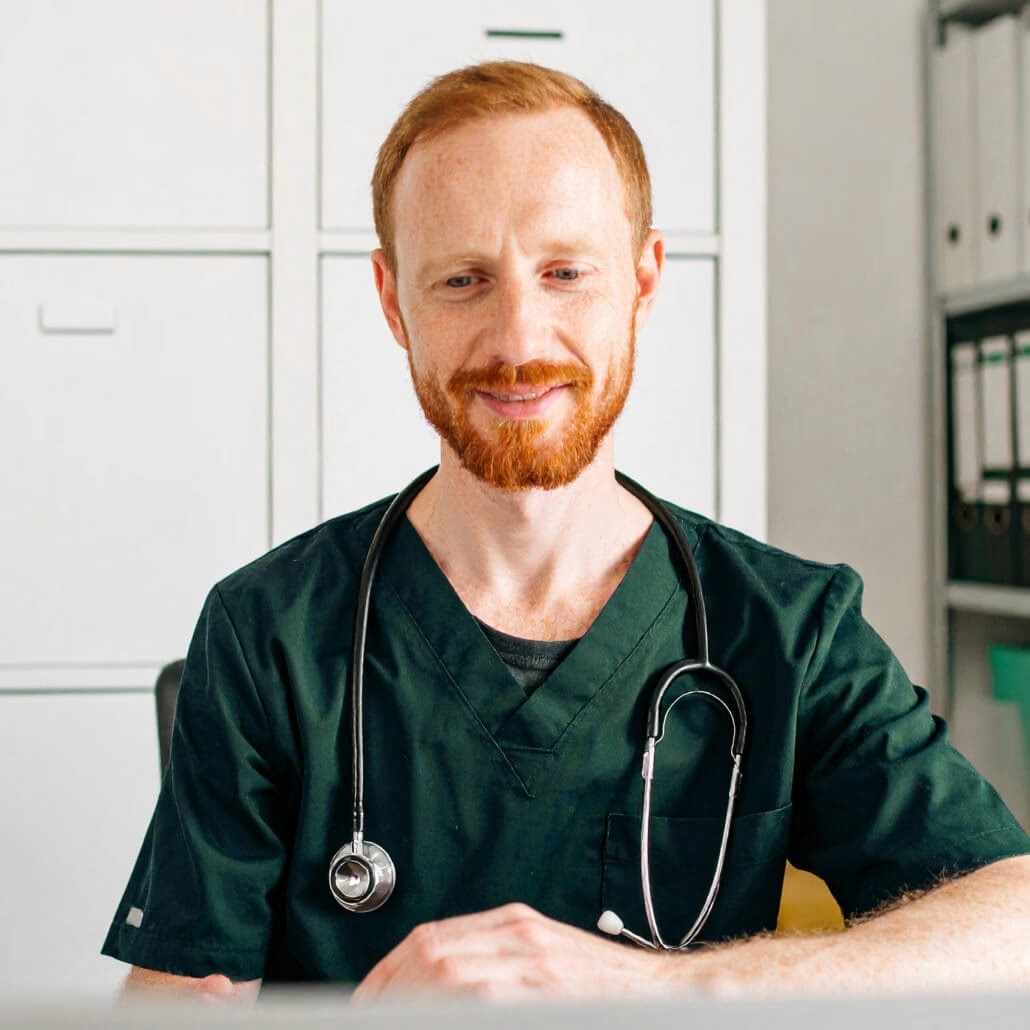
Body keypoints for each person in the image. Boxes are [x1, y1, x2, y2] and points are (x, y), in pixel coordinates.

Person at [104, 61, 1030, 1002]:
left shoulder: (791, 628)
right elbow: (177, 1003)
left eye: (565, 274)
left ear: (641, 280)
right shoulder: (270, 631)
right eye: (463, 280)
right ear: (393, 302)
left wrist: (672, 992)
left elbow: (1014, 921)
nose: (519, 338)